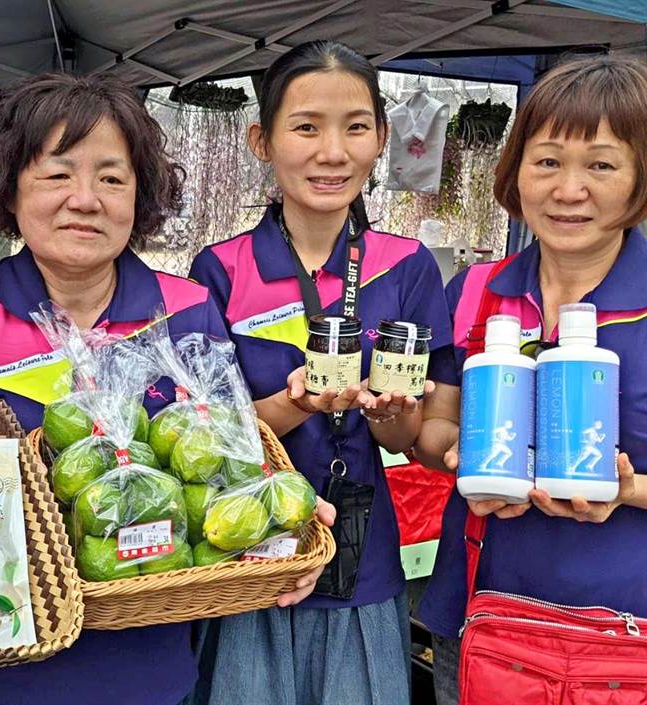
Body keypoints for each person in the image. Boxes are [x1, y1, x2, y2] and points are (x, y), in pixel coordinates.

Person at [0, 72, 335, 705]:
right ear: (10, 186)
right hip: (4, 656)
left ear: (141, 196)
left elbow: (228, 468)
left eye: (112, 177)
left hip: (149, 657)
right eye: (57, 174)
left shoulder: (185, 310)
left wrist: (284, 530)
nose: (85, 199)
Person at [186, 40, 455, 705]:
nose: (332, 152)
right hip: (250, 558)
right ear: (262, 139)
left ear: (381, 138)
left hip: (364, 566)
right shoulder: (220, 270)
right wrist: (294, 404)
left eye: (355, 127)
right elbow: (204, 438)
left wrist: (395, 416)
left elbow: (406, 438)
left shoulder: (408, 267)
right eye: (306, 126)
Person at [415, 54, 647, 705]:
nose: (568, 190)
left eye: (601, 164)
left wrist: (626, 491)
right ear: (515, 172)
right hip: (487, 623)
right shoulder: (477, 291)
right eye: (546, 161)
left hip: (624, 639)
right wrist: (459, 456)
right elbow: (435, 425)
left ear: (639, 178)